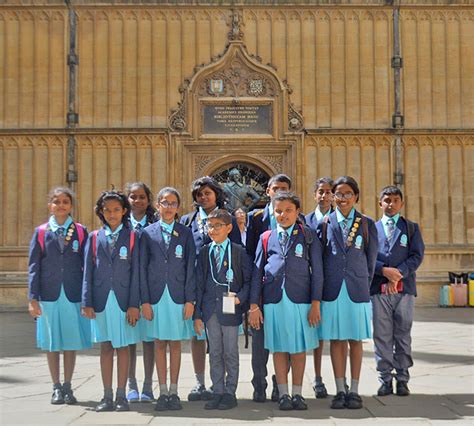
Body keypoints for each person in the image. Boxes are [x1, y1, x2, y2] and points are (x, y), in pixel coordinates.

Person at [249, 192, 324, 411]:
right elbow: (256, 273)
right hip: (273, 301)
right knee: (279, 348)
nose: (283, 215)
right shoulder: (266, 237)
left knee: (299, 348)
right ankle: (283, 394)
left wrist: (316, 303)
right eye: (279, 210)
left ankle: (298, 394)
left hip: (301, 300)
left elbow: (317, 272)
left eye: (288, 210)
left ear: (297, 212)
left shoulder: (308, 236)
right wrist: (254, 305)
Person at [317, 176, 378, 410]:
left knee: (355, 340)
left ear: (356, 197)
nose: (342, 199)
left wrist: (363, 281)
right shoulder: (324, 223)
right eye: (338, 194)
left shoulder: (366, 223)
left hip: (357, 289)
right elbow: (321, 259)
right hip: (332, 290)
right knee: (336, 340)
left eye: (347, 194)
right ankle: (339, 389)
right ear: (333, 197)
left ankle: (354, 390)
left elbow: (371, 261)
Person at [180, 176, 242, 402]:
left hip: (224, 288)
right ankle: (201, 383)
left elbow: (238, 253)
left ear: (216, 194)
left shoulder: (230, 218)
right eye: (199, 194)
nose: (203, 197)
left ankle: (228, 389)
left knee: (226, 344)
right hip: (199, 285)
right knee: (199, 336)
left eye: (208, 193)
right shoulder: (188, 220)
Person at [27, 187, 91, 405]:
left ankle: (68, 385)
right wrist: (32, 298)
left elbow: (87, 266)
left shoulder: (81, 231)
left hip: (72, 294)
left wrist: (86, 298)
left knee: (70, 342)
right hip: (48, 294)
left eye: (65, 202)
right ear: (50, 205)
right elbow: (34, 266)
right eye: (57, 202)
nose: (61, 205)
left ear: (71, 206)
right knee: (52, 342)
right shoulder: (42, 232)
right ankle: (55, 386)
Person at [82, 190, 140, 412]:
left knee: (123, 346)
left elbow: (136, 273)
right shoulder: (95, 237)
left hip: (124, 301)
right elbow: (88, 270)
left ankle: (121, 395)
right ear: (101, 212)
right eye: (107, 210)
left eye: (117, 210)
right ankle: (107, 395)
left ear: (124, 211)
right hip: (102, 299)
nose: (112, 214)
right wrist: (87, 301)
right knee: (106, 346)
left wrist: (134, 303)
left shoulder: (133, 236)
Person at [139, 187, 196, 411]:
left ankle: (174, 390)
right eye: (165, 203)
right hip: (155, 297)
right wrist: (144, 301)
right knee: (159, 343)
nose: (169, 207)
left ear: (178, 207)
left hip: (178, 296)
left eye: (173, 203)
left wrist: (190, 300)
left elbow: (190, 268)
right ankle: (162, 391)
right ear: (157, 205)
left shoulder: (185, 233)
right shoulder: (147, 233)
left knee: (175, 344)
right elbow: (142, 268)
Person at [193, 209, 251, 410]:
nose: (213, 229)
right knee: (215, 352)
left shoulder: (238, 251)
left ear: (229, 228)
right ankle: (217, 390)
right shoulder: (204, 252)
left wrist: (240, 299)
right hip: (210, 311)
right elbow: (199, 284)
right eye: (210, 226)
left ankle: (230, 391)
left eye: (218, 225)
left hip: (230, 310)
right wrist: (197, 315)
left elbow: (248, 281)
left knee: (230, 352)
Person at [371, 185, 425, 397]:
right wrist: (384, 271)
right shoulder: (371, 229)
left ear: (401, 203)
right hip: (378, 289)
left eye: (395, 200)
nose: (391, 204)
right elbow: (367, 257)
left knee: (403, 334)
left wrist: (399, 273)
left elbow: (417, 255)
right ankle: (384, 378)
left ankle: (402, 378)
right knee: (382, 335)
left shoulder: (411, 228)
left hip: (404, 290)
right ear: (380, 203)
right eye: (387, 200)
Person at [245, 173, 292, 403]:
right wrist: (252, 299)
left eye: (284, 188)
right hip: (262, 290)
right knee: (259, 343)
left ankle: (278, 382)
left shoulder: (297, 222)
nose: (279, 191)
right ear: (268, 191)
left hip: (287, 293)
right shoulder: (256, 219)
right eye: (276, 188)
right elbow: (251, 259)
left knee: (285, 341)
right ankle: (259, 383)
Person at [125, 182, 157, 403]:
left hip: (150, 288)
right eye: (133, 197)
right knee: (128, 339)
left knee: (148, 339)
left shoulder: (156, 223)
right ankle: (130, 384)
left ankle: (148, 385)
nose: (137, 201)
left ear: (148, 200)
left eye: (142, 197)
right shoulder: (120, 223)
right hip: (125, 289)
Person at [305, 177, 335, 399]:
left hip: (334, 284)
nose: (324, 195)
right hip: (311, 283)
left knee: (336, 333)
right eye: (320, 192)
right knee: (316, 334)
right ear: (314, 194)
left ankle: (340, 380)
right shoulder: (304, 221)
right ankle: (317, 378)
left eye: (328, 192)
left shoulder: (341, 221)